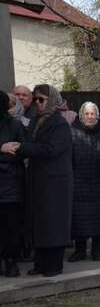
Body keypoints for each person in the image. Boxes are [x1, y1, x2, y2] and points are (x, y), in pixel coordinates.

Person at [1, 85, 73, 277]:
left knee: (53, 222)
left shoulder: (59, 123)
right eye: (36, 99)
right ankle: (41, 262)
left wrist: (21, 147)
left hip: (55, 181)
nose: (38, 103)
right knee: (39, 222)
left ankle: (54, 265)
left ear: (51, 100)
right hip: (38, 179)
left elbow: (51, 149)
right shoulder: (36, 119)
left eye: (41, 99)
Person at [68, 102, 100, 262]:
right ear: (81, 115)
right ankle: (79, 251)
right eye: (87, 114)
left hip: (99, 181)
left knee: (99, 218)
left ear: (97, 115)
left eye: (93, 114)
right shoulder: (72, 132)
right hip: (78, 181)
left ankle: (96, 250)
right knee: (79, 219)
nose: (90, 116)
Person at [0, 92, 26, 277]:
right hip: (10, 180)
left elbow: (20, 150)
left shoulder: (15, 124)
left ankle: (11, 261)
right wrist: (2, 149)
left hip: (11, 184)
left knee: (11, 226)